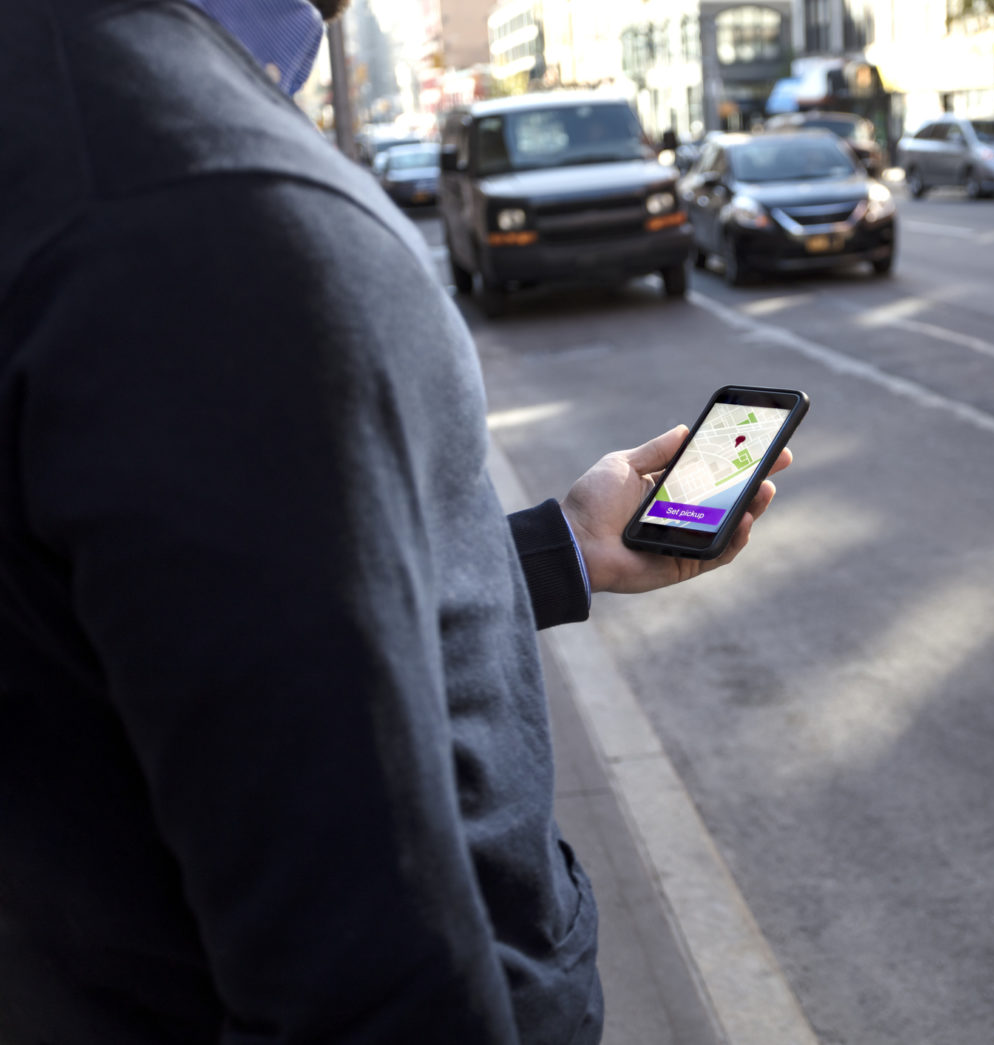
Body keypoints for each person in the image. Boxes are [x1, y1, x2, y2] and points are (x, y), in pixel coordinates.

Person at [0, 1, 790, 1042]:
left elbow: (175, 628)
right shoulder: (208, 215)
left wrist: (557, 551)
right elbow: (360, 985)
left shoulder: (68, 98)